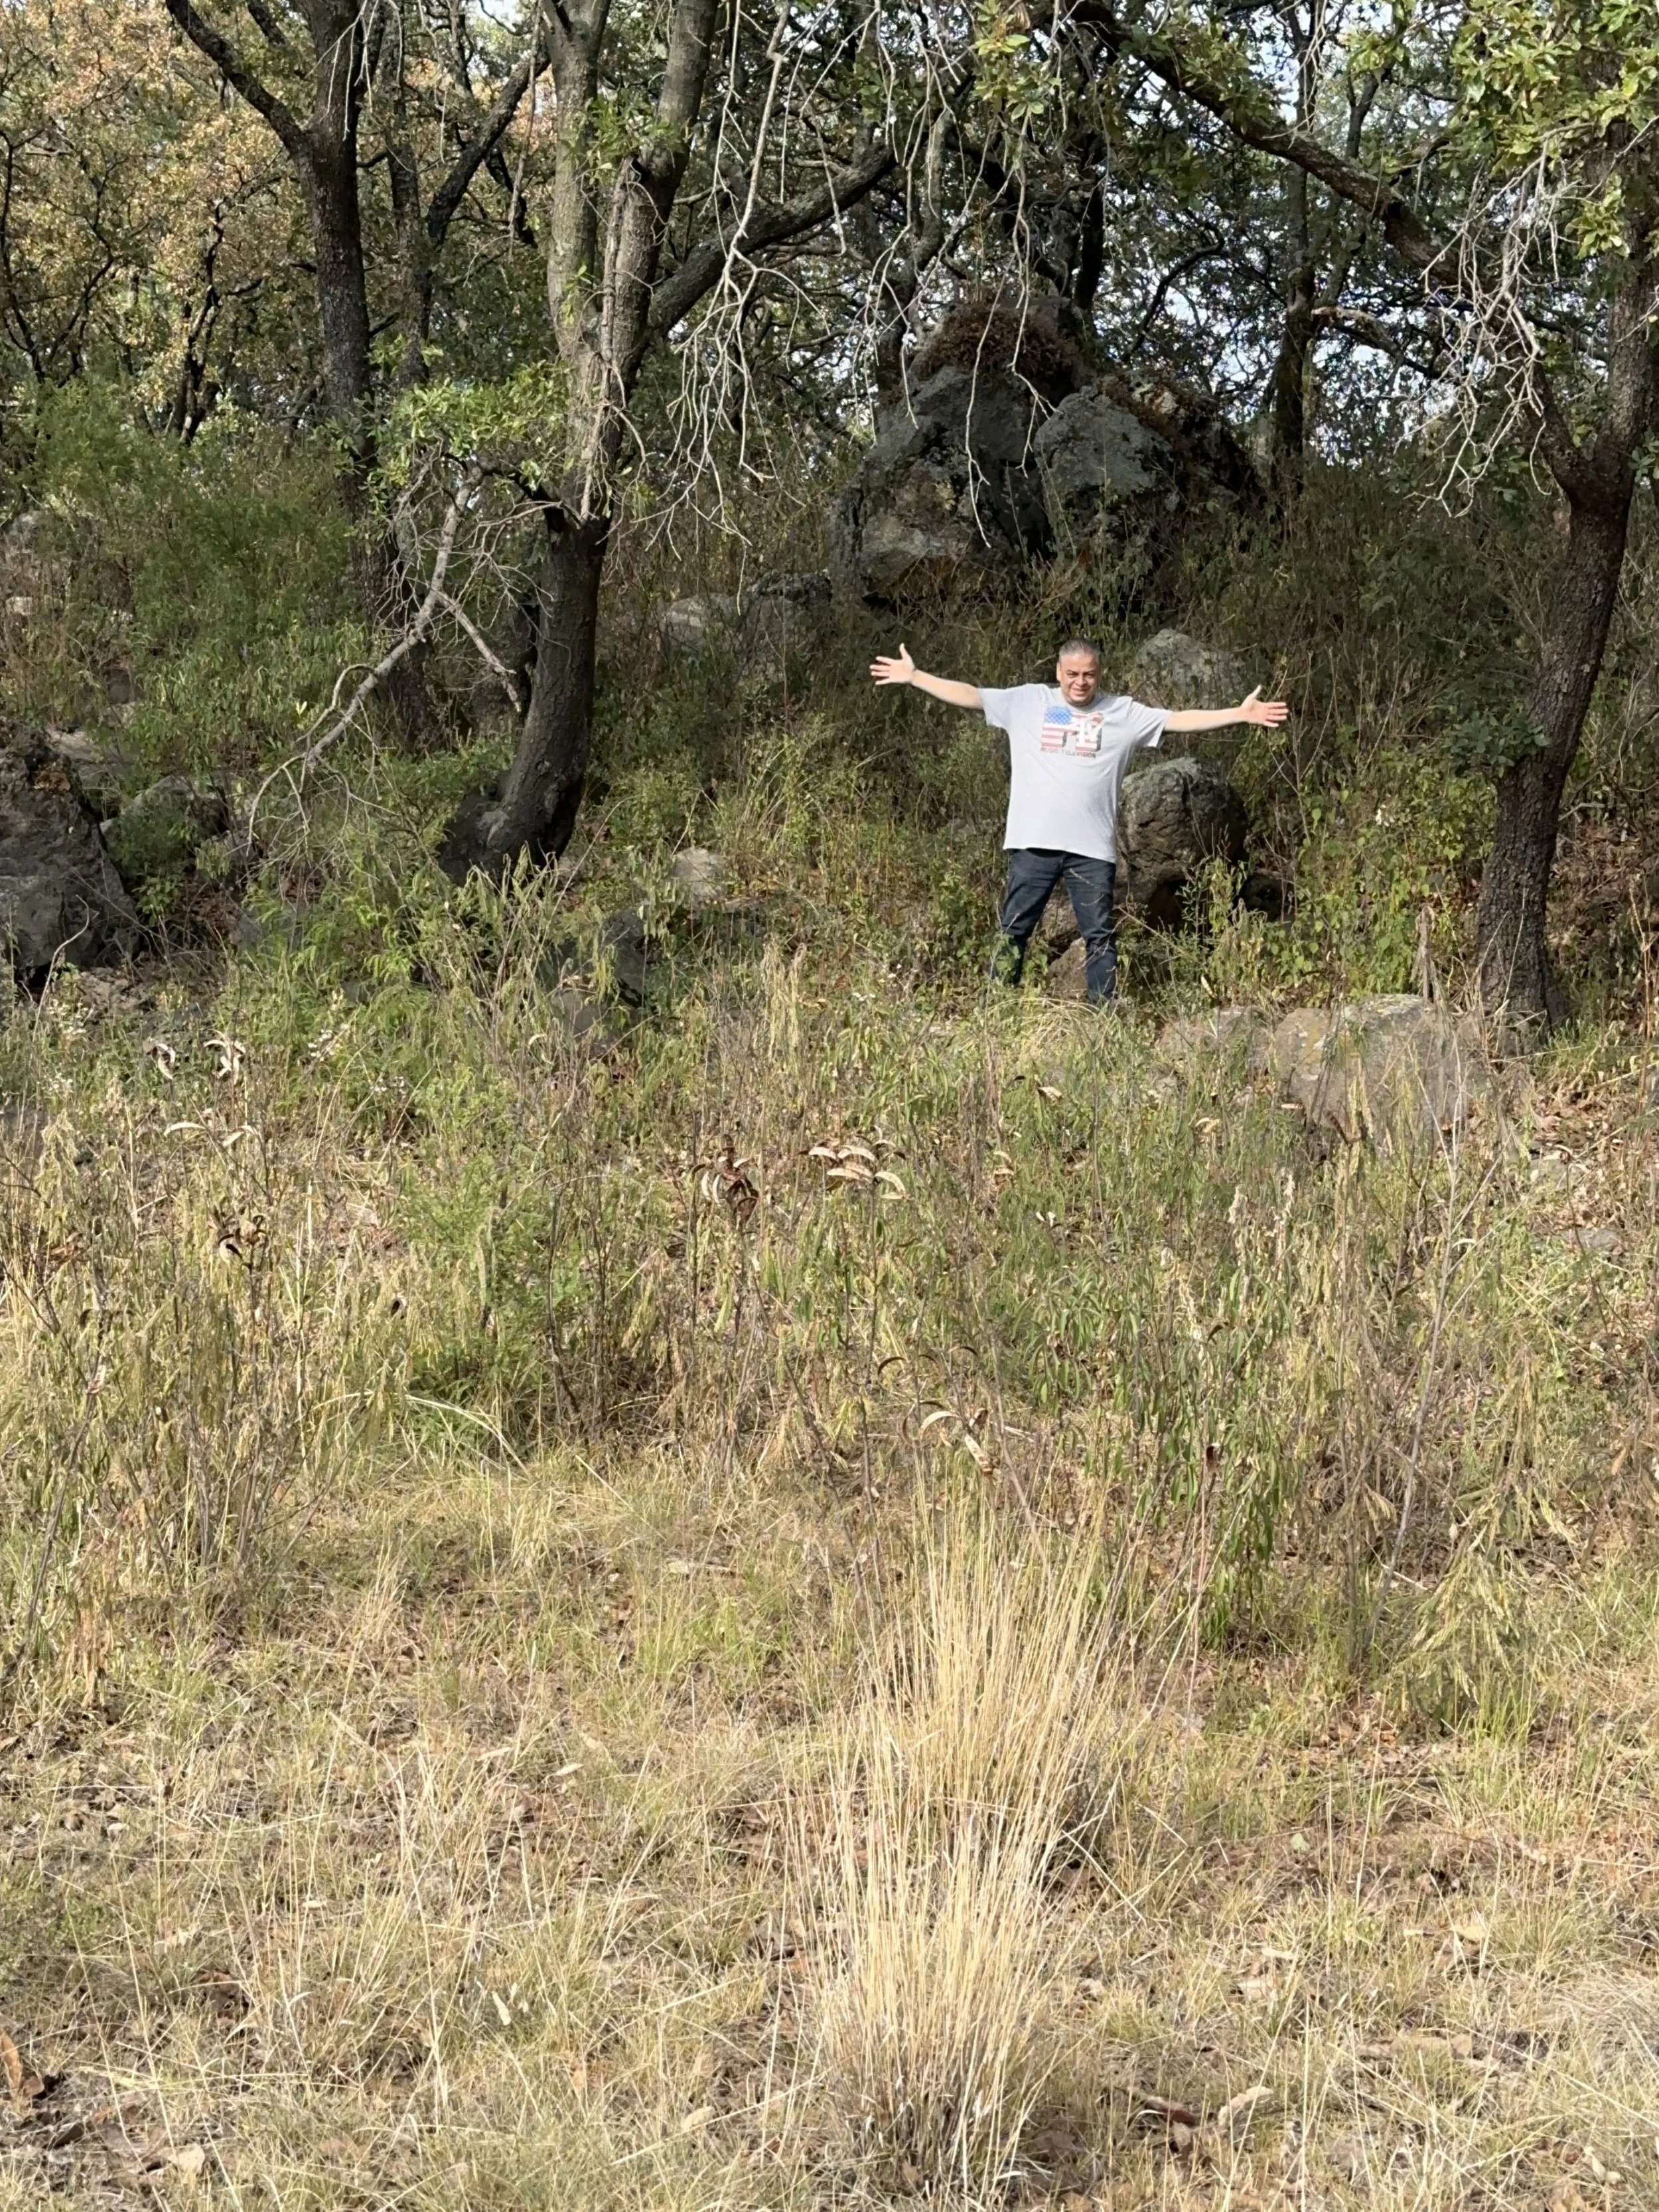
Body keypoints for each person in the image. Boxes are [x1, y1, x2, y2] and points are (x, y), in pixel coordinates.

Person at [871, 636, 1289, 1004]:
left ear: (1099, 674)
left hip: (1091, 850)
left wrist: (1238, 713)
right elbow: (972, 694)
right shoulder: (1027, 702)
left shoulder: (1121, 713)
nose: (1080, 682)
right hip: (1034, 843)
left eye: (1089, 674)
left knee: (1100, 937)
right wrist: (916, 677)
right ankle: (996, 1008)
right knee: (1014, 930)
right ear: (1058, 671)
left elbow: (1177, 720)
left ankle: (1102, 1017)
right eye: (1072, 674)